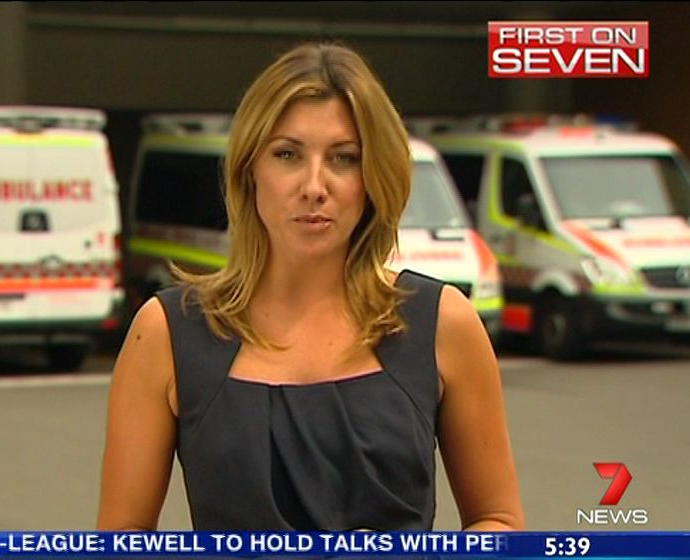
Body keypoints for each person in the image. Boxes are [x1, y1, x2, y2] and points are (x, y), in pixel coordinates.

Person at [98, 42, 524, 532]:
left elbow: (498, 522)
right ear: (250, 170)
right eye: (287, 154)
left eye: (344, 158)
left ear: (373, 177)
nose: (315, 186)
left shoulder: (443, 323)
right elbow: (121, 548)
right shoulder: (167, 333)